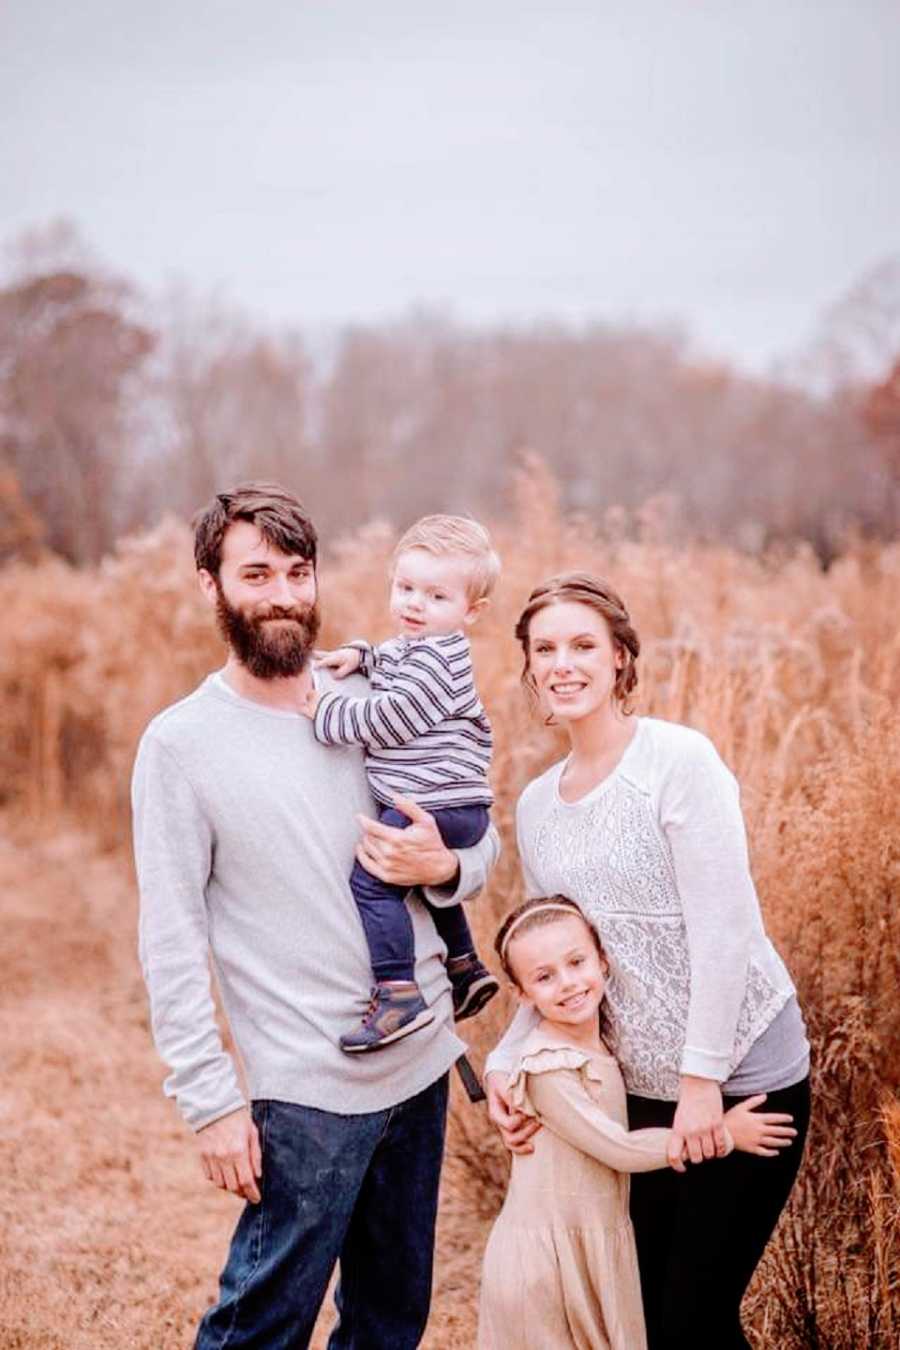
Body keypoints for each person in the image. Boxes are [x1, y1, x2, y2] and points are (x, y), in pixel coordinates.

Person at [132, 482, 499, 1350]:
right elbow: (172, 941)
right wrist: (211, 1105)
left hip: (418, 1068)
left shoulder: (369, 695)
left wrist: (446, 866)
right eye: (256, 574)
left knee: (387, 1324)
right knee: (261, 1328)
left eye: (299, 573)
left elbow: (472, 833)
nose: (285, 596)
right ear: (209, 586)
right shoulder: (181, 745)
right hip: (306, 1093)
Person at [485, 572, 811, 1350]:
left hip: (741, 1076)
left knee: (691, 1317)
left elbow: (725, 929)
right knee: (652, 1320)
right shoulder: (537, 806)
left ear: (621, 659)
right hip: (637, 1090)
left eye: (583, 646)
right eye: (545, 650)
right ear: (529, 669)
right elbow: (551, 955)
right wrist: (505, 1061)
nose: (563, 664)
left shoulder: (676, 761)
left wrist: (703, 1082)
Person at [478, 896, 797, 1350]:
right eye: (544, 977)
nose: (568, 984)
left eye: (576, 962)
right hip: (546, 1264)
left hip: (585, 1245)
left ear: (604, 960)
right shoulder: (548, 1067)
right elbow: (618, 1148)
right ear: (523, 996)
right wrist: (725, 1134)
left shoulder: (600, 1042)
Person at [302, 514, 500, 1052]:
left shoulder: (443, 663)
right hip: (446, 799)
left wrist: (325, 711)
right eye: (405, 587)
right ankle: (464, 965)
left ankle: (397, 991)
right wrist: (359, 655)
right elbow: (390, 658)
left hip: (443, 800)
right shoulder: (422, 646)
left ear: (471, 612)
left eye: (436, 596)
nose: (415, 604)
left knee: (373, 878)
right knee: (419, 875)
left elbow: (389, 717)